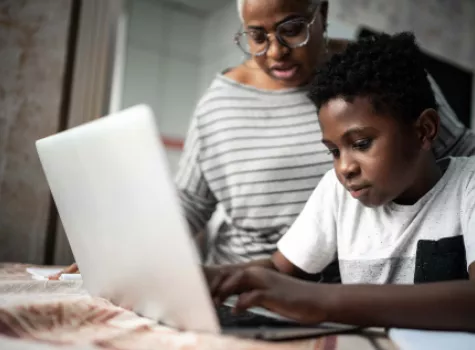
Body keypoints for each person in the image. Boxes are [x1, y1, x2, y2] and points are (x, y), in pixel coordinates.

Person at [51, 0, 475, 278]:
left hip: (344, 285)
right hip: (253, 277)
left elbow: (460, 159)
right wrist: (125, 259)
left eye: (292, 29)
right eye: (257, 36)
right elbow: (189, 204)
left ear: (321, 12)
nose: (275, 51)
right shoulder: (219, 104)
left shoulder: (383, 80)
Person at [208, 32, 475, 331]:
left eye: (361, 143)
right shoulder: (337, 191)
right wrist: (212, 278)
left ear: (424, 130)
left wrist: (321, 300)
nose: (344, 167)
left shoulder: (469, 185)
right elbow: (279, 270)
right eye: (334, 151)